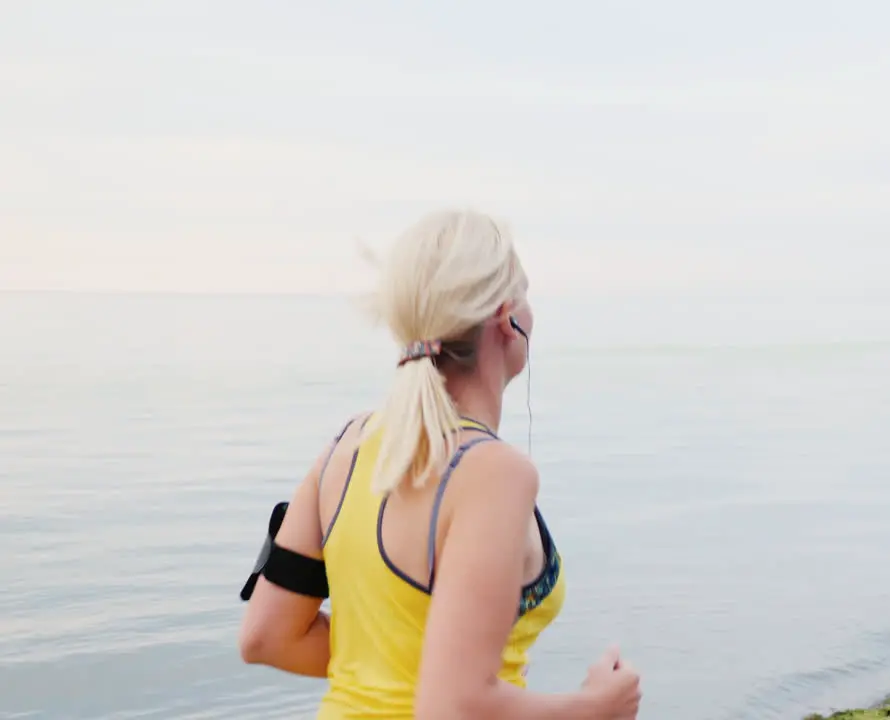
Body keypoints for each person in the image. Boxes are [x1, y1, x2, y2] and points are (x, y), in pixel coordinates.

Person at [237, 209, 642, 719]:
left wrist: (420, 660)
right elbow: (453, 708)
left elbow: (268, 637)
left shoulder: (345, 447)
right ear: (506, 318)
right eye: (527, 294)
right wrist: (595, 708)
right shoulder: (494, 473)